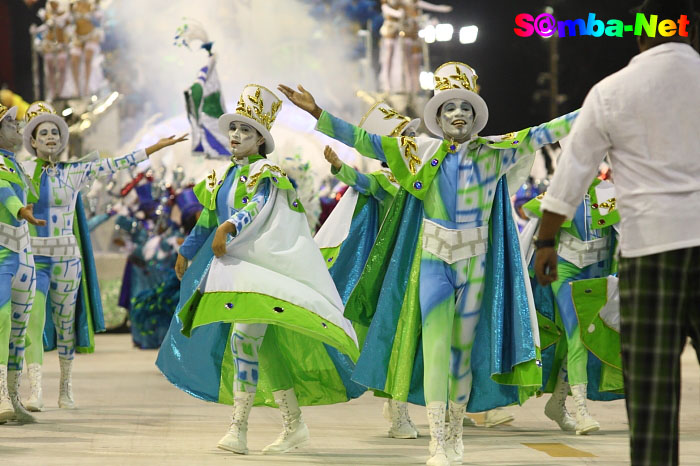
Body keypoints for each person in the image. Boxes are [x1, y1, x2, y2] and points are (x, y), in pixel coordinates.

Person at [280, 60, 576, 465]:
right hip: (435, 261)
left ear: (475, 115)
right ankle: (438, 439)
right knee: (436, 349)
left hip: (475, 266)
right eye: (449, 107)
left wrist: (600, 106)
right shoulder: (418, 151)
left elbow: (549, 130)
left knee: (461, 353)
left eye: (465, 107)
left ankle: (455, 433)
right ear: (437, 115)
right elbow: (365, 140)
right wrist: (317, 113)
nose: (458, 114)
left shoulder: (497, 152)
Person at [533, 2, 700, 464]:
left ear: (642, 34)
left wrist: (547, 240)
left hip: (651, 250)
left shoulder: (612, 91)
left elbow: (573, 172)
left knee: (651, 387)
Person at [157, 84, 359, 456]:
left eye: (245, 130)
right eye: (234, 128)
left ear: (260, 139)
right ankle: (294, 424)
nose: (236, 135)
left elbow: (259, 205)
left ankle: (239, 429)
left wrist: (230, 225)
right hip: (235, 269)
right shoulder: (221, 176)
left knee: (244, 340)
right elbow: (206, 218)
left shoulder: (267, 171)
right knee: (261, 349)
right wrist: (186, 250)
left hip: (262, 267)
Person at [21, 101, 186, 411]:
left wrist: (154, 148)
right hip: (34, 259)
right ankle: (36, 391)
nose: (51, 137)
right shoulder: (23, 171)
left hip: (68, 258)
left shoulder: (76, 170)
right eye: (43, 132)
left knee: (65, 322)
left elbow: (118, 163)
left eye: (55, 131)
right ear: (32, 140)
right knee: (34, 320)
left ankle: (66, 387)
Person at [315, 101, 419, 439]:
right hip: (391, 273)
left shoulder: (425, 175)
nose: (413, 141)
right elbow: (359, 181)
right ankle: (399, 411)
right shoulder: (385, 181)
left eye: (412, 135)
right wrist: (339, 167)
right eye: (405, 136)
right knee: (395, 340)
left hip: (426, 265)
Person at [524, 176, 623, 435]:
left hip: (597, 274)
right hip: (565, 273)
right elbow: (532, 231)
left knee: (584, 340)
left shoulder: (609, 192)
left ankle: (557, 403)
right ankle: (581, 411)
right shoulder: (560, 192)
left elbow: (625, 234)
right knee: (578, 336)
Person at [0, 104, 45, 424]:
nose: (17, 130)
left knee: (20, 330)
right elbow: (4, 194)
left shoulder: (18, 165)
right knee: (2, 321)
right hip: (3, 254)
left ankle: (14, 398)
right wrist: (21, 211)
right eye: (10, 125)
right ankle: (1, 395)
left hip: (25, 255)